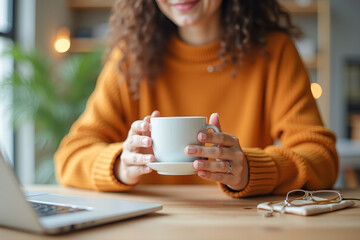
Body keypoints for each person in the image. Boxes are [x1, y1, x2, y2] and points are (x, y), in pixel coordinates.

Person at [54, 0, 338, 198]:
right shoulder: (130, 60)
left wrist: (250, 169)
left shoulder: (275, 53)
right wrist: (120, 164)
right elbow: (70, 156)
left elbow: (322, 157)